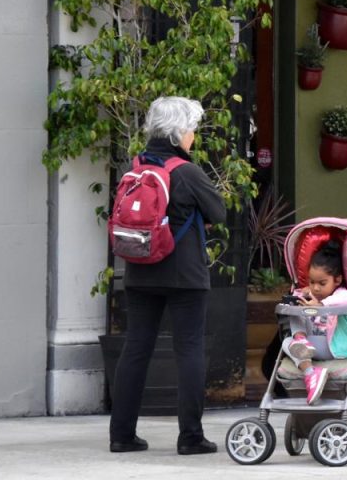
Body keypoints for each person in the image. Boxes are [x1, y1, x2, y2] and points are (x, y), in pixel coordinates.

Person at [109, 96, 226, 455]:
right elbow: (218, 213)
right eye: (191, 129)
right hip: (184, 274)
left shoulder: (136, 167)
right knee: (189, 350)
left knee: (135, 349)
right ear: (178, 132)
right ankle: (190, 437)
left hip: (141, 270)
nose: (193, 135)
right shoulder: (187, 171)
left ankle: (122, 435)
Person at [283, 243, 347, 403]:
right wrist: (299, 296)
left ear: (337, 280)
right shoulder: (310, 295)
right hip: (309, 350)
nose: (316, 288)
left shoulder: (342, 295)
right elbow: (302, 296)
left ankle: (304, 352)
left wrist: (321, 306)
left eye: (322, 283)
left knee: (305, 314)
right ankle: (310, 372)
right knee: (288, 337)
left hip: (334, 349)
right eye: (312, 282)